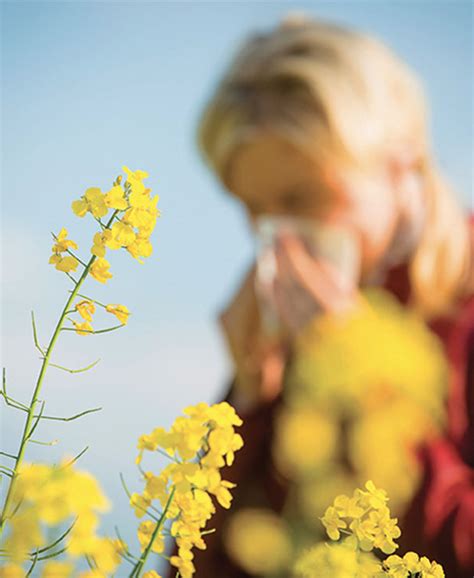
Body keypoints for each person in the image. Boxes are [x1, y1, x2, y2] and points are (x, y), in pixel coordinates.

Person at [172, 16, 474, 577]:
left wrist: (364, 393)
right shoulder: (290, 321)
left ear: (400, 163)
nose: (279, 235)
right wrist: (246, 405)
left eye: (301, 195)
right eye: (253, 207)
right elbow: (198, 563)